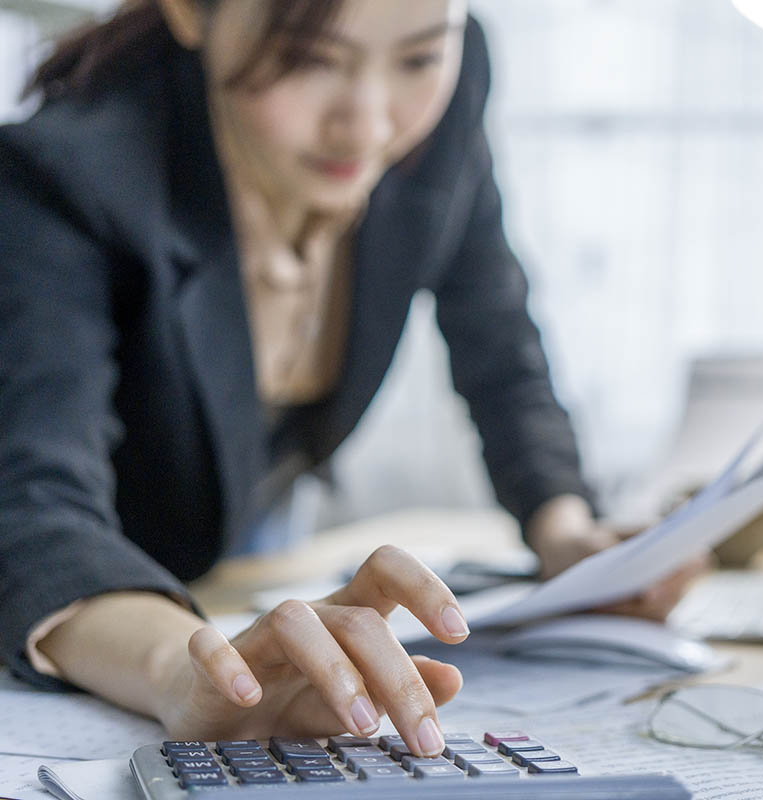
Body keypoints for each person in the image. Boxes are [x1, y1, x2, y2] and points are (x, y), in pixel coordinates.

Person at [0, 0, 703, 758]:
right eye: (309, 58)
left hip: (228, 563)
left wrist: (567, 533)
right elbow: (32, 507)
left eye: (418, 59)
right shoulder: (61, 175)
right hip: (81, 600)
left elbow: (499, 340)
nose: (367, 127)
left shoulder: (446, 102)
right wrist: (189, 667)